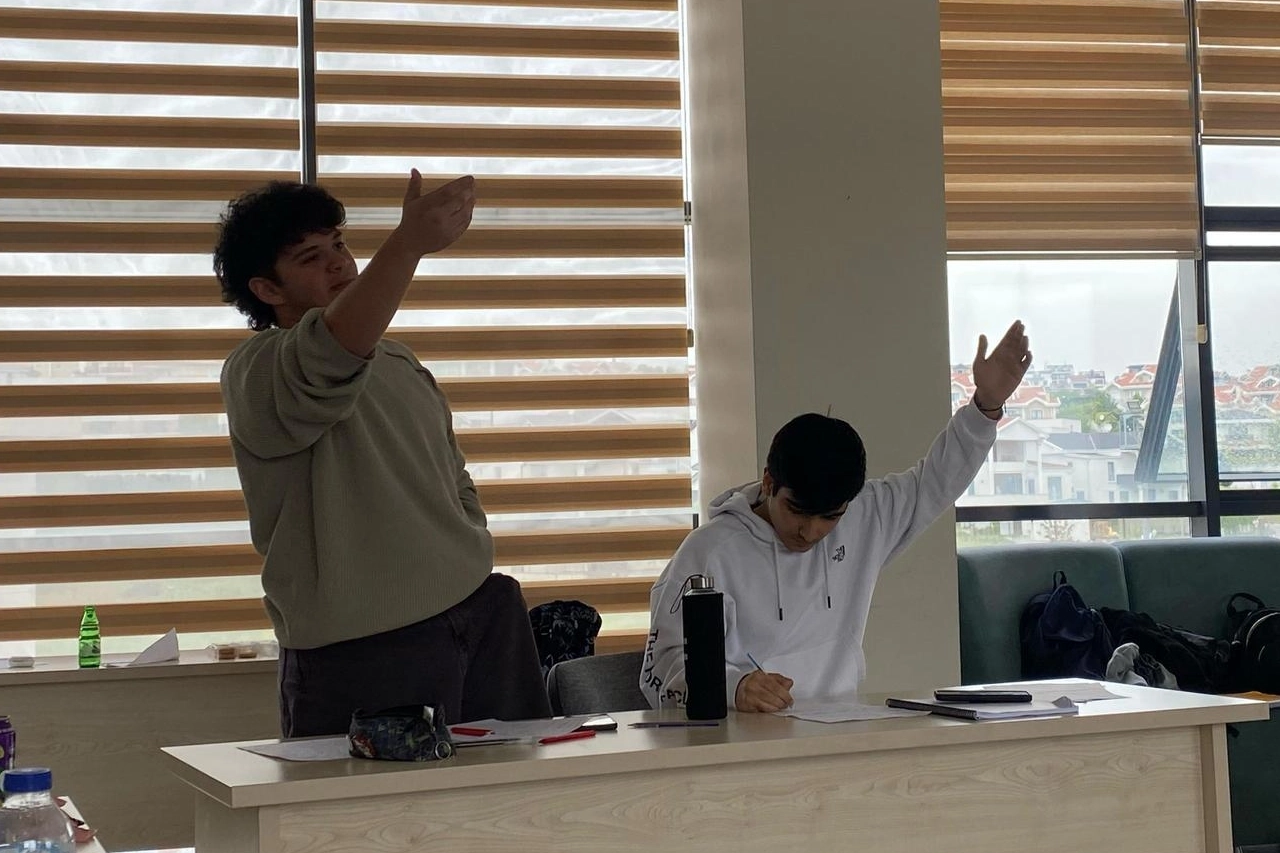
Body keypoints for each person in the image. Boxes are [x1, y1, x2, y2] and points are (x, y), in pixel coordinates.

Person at [214, 171, 552, 737]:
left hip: (480, 609)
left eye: (339, 245)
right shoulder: (258, 370)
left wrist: (469, 532)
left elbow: (451, 469)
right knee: (367, 798)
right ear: (268, 290)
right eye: (311, 258)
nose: (339, 264)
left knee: (514, 787)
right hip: (362, 649)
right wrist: (408, 243)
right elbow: (329, 351)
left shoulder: (396, 359)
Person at [641, 321, 1032, 712]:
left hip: (843, 727)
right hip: (746, 736)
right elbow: (660, 668)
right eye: (797, 511)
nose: (811, 532)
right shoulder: (709, 552)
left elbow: (937, 480)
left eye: (830, 517)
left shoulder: (866, 517)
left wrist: (985, 407)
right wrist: (735, 687)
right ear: (769, 482)